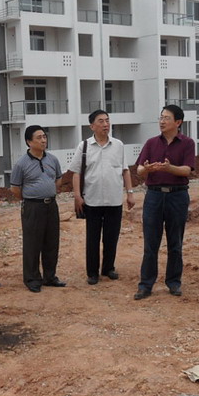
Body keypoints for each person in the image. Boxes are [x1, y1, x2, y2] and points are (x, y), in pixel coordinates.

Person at [133, 105, 196, 300]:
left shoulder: (187, 143)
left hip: (177, 196)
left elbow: (187, 170)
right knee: (150, 243)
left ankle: (174, 282)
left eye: (166, 118)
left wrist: (170, 168)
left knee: (175, 242)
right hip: (154, 196)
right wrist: (147, 169)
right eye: (160, 117)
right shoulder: (151, 143)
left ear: (178, 122)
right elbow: (139, 170)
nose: (162, 121)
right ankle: (146, 284)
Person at [70, 110, 136, 285]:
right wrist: (77, 196)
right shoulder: (84, 146)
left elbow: (125, 171)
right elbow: (76, 173)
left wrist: (130, 193)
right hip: (92, 200)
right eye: (101, 121)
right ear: (92, 126)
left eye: (107, 120)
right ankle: (92, 273)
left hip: (114, 200)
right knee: (92, 239)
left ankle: (108, 268)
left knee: (111, 237)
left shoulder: (118, 145)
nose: (106, 124)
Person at [10, 125, 66, 292]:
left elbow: (58, 180)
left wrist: (48, 191)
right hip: (32, 207)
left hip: (51, 206)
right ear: (29, 142)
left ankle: (50, 277)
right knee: (32, 244)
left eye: (44, 137)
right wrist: (31, 198)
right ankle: (32, 279)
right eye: (39, 138)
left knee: (51, 242)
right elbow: (15, 189)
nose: (43, 140)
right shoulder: (21, 163)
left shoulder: (52, 159)